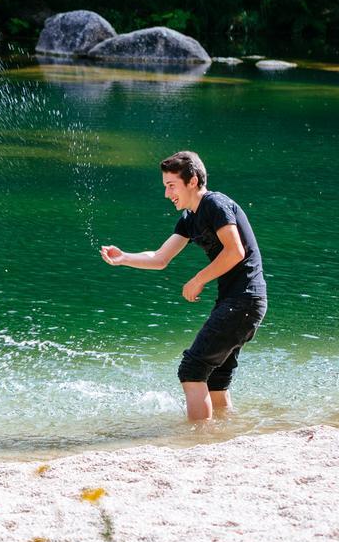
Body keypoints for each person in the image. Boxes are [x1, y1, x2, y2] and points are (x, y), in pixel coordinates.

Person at [99, 151, 267, 421]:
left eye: (171, 186)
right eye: (166, 186)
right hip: (238, 303)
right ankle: (224, 434)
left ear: (192, 181)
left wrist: (198, 279)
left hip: (244, 301)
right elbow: (160, 258)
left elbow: (235, 251)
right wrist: (124, 258)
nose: (167, 194)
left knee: (192, 370)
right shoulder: (190, 218)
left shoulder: (215, 204)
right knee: (215, 378)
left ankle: (199, 439)